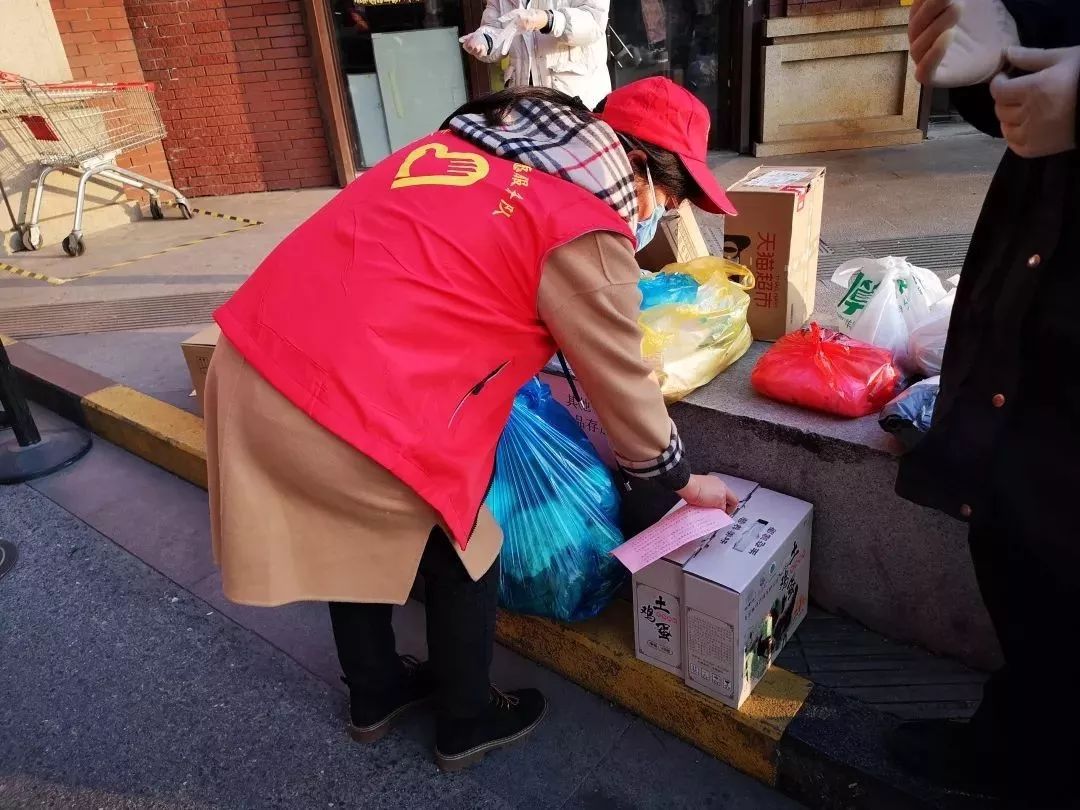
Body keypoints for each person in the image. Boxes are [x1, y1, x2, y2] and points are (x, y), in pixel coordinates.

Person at [205, 77, 739, 772]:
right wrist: (682, 481)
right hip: (347, 395)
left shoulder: (464, 145)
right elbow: (623, 382)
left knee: (344, 527)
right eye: (666, 202)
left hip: (253, 355)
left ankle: (375, 694)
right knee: (467, 546)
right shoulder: (580, 217)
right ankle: (465, 719)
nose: (657, 220)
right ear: (636, 164)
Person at [893, 1, 1080, 804]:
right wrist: (986, 60)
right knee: (1013, 532)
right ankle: (1015, 745)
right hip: (1034, 262)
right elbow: (1028, 71)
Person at [459, 0, 611, 110]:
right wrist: (485, 41)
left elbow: (594, 21)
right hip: (524, 99)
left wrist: (548, 20)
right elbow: (495, 27)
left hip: (575, 94)